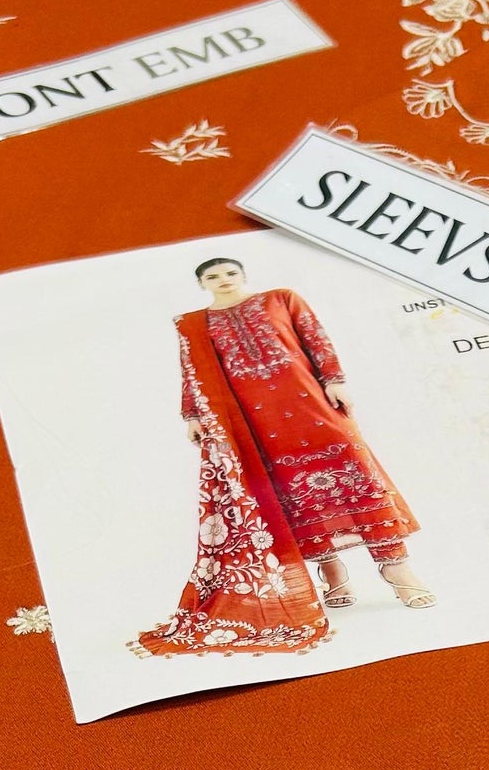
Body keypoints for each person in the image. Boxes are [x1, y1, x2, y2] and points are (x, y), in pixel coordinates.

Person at [139, 257, 433, 657]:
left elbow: (316, 339)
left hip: (310, 400)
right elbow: (192, 370)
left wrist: (335, 380)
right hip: (253, 418)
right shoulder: (195, 324)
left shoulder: (281, 298)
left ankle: (395, 566)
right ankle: (332, 570)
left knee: (356, 474)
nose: (223, 280)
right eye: (213, 276)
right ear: (202, 283)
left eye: (230, 273)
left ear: (243, 275)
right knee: (288, 490)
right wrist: (192, 415)